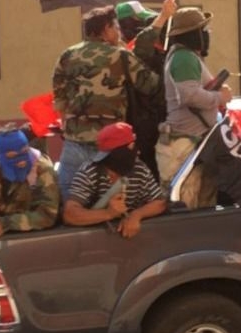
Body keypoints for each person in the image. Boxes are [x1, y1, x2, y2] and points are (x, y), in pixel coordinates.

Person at [52, 5, 160, 199]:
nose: (118, 33)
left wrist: (69, 125)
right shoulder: (120, 55)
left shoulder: (67, 55)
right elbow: (149, 85)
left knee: (68, 200)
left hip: (74, 141)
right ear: (106, 29)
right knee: (110, 200)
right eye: (116, 27)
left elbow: (59, 98)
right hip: (109, 146)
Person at [155, 6, 233, 209]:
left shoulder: (188, 57)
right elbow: (189, 96)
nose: (207, 34)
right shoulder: (183, 58)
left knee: (204, 211)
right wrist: (220, 96)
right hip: (183, 149)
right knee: (186, 215)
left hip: (195, 145)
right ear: (193, 34)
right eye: (203, 30)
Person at [63, 122, 166, 239]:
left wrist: (136, 215)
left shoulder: (139, 168)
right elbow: (70, 214)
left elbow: (159, 202)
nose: (137, 152)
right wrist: (108, 213)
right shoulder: (90, 171)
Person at [0, 125, 60, 247]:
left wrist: (5, 224)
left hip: (30, 241)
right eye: (12, 156)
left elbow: (48, 215)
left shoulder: (42, 170)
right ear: (1, 156)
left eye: (24, 153)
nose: (21, 161)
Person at [118, 0, 177, 180]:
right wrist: (163, 16)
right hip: (142, 126)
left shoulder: (144, 51)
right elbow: (141, 46)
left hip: (155, 121)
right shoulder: (125, 53)